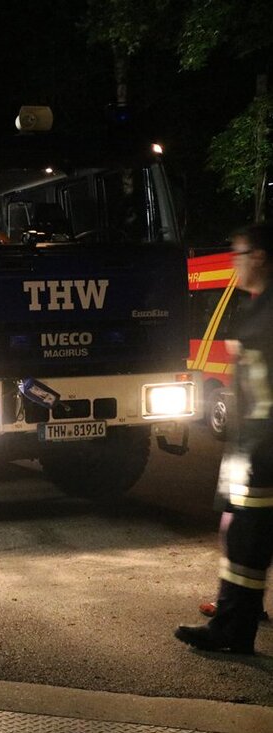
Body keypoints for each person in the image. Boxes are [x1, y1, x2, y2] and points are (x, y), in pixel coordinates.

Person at [176, 222, 273, 654]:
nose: (233, 265)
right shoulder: (258, 306)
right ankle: (233, 629)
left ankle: (233, 632)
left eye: (238, 255)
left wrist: (251, 449)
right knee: (242, 540)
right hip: (251, 447)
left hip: (262, 450)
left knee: (247, 541)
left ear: (259, 257)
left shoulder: (269, 311)